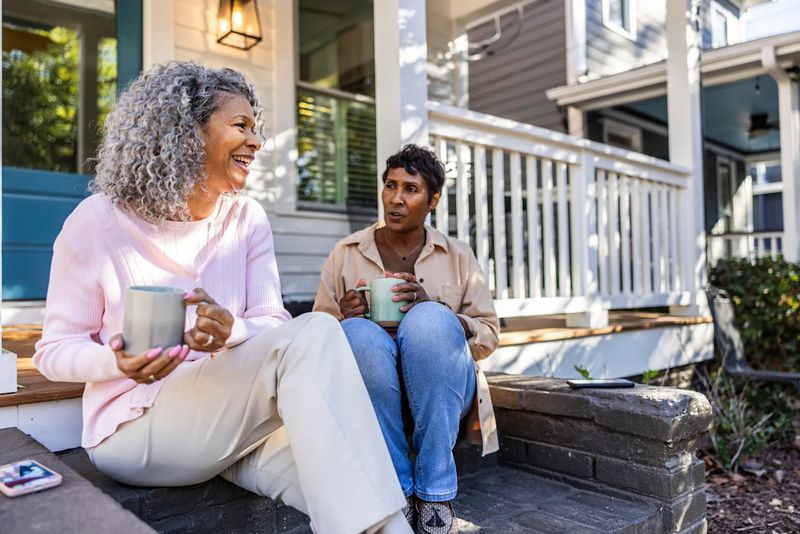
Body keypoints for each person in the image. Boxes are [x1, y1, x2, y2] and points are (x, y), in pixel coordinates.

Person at [33, 61, 411, 534]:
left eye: (257, 129)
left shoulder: (247, 219)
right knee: (317, 330)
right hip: (134, 431)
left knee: (360, 487)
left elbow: (272, 321)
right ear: (187, 132)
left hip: (226, 426)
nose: (256, 141)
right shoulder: (98, 221)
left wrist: (236, 329)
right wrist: (120, 362)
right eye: (241, 126)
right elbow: (53, 352)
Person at [314, 145, 500, 533]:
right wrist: (342, 319)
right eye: (390, 186)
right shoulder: (344, 254)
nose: (396, 199)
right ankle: (396, 490)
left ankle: (435, 493)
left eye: (411, 189)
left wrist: (442, 314)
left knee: (431, 319)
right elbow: (313, 340)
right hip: (371, 384)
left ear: (433, 200)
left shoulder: (458, 256)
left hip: (442, 387)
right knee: (356, 334)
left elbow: (488, 334)